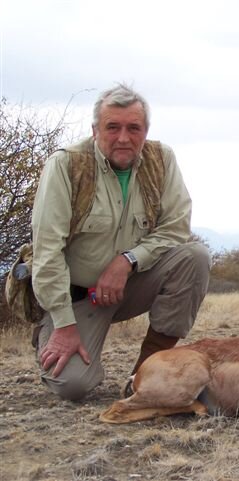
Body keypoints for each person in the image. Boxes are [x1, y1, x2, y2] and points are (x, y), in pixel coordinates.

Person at [31, 83, 211, 401]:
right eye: (112, 127)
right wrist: (63, 324)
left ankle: (147, 372)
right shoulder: (66, 166)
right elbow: (47, 251)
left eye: (133, 128)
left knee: (194, 256)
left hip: (130, 285)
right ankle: (49, 331)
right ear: (95, 129)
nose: (124, 138)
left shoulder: (162, 160)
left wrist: (127, 261)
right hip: (77, 299)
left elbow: (176, 228)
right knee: (73, 387)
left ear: (145, 131)